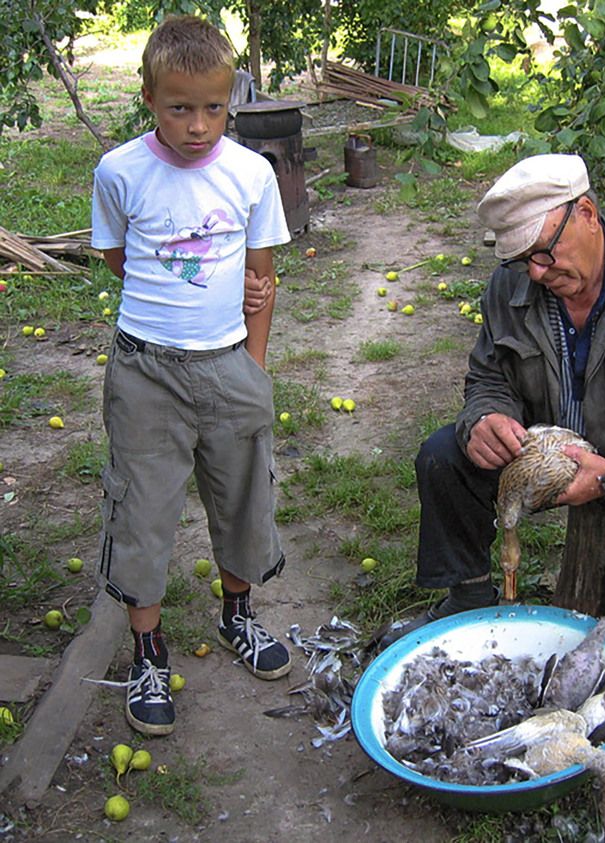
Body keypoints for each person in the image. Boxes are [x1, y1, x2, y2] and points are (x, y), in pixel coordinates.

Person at [379, 154, 605, 758]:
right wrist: (485, 420)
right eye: (522, 258)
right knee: (443, 455)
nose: (536, 270)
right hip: (543, 457)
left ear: (586, 212)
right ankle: (470, 602)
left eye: (545, 252)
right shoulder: (514, 286)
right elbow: (487, 379)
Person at [90, 15, 291, 736]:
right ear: (148, 97)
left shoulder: (251, 174)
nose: (198, 125)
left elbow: (262, 278)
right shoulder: (119, 172)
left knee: (241, 498)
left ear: (230, 99)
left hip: (229, 366)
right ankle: (147, 650)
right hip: (146, 372)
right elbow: (119, 259)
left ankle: (239, 613)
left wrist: (254, 371)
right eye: (179, 107)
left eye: (213, 107)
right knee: (142, 510)